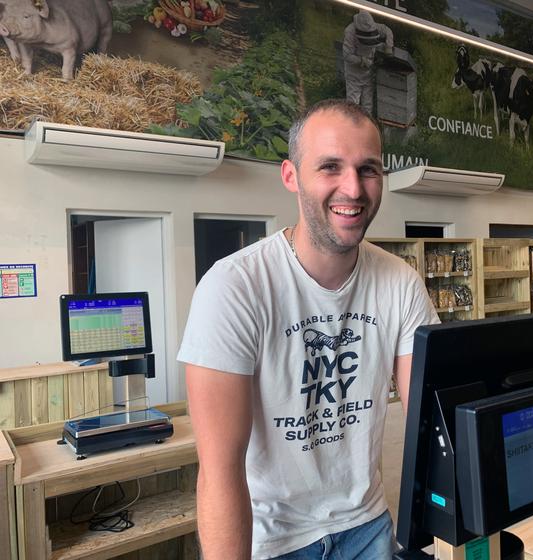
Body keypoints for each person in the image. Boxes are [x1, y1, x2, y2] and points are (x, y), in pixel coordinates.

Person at [179, 98, 439, 559]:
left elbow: (432, 417)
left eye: (369, 169)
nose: (353, 189)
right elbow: (219, 472)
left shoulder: (400, 282)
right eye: (330, 167)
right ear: (291, 176)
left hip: (369, 527)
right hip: (274, 540)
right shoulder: (235, 287)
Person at [343, 10, 394, 114]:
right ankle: (353, 128)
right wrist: (363, 61)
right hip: (354, 74)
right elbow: (347, 55)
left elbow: (388, 31)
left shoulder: (374, 26)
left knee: (367, 105)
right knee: (353, 106)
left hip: (368, 73)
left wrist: (389, 47)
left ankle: (366, 127)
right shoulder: (350, 31)